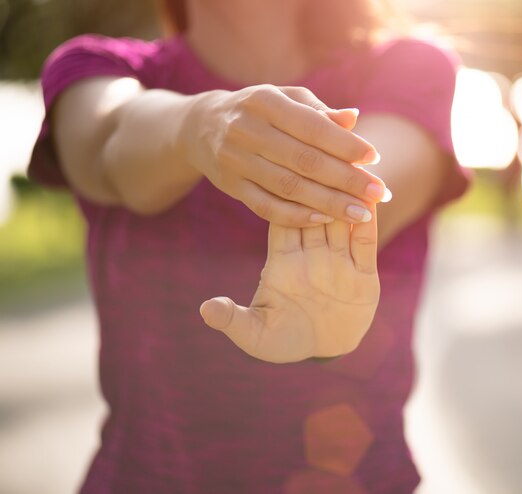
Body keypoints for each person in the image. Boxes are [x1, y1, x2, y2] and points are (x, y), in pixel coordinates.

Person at [29, 0, 469, 491]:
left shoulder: (410, 67)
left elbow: (373, 184)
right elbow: (110, 142)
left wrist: (323, 239)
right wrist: (199, 125)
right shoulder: (96, 70)